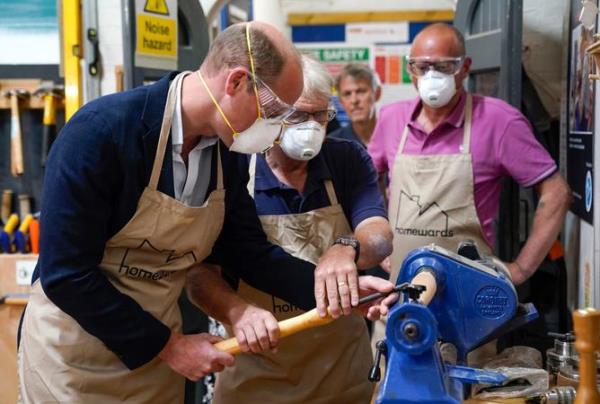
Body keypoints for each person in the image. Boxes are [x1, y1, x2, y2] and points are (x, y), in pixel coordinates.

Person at [17, 22, 391, 403]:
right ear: (237, 83)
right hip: (76, 358)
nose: (280, 130)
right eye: (277, 112)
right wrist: (170, 347)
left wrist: (333, 289)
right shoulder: (101, 134)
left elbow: (247, 252)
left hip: (158, 362)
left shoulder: (223, 153)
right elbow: (66, 275)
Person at [187, 55, 394, 404]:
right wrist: (235, 311)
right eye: (298, 115)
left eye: (320, 115)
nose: (311, 127)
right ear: (268, 112)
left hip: (340, 372)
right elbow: (198, 275)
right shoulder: (232, 166)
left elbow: (378, 235)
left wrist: (345, 248)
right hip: (256, 375)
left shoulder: (345, 159)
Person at [368, 23, 571, 345]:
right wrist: (379, 248)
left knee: (467, 391)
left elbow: (556, 193)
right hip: (399, 302)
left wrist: (520, 269)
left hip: (468, 311)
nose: (431, 75)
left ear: (464, 68)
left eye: (443, 66)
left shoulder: (498, 121)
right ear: (410, 70)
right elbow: (367, 182)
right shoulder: (392, 119)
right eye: (422, 66)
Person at [329, 63, 382, 147]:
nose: (354, 100)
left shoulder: (398, 136)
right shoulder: (332, 145)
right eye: (347, 94)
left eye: (361, 91)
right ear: (340, 101)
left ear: (377, 94)